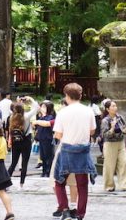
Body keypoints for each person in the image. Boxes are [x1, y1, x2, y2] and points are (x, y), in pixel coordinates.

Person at [52, 83, 97, 220]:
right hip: (83, 150)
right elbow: (92, 131)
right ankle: (80, 213)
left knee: (59, 182)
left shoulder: (63, 112)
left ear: (67, 96)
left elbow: (58, 134)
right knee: (82, 185)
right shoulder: (88, 111)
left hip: (67, 149)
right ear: (80, 95)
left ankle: (65, 208)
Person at [100, 100, 126, 192]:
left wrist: (125, 130)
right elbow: (104, 135)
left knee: (124, 163)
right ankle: (109, 185)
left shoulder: (120, 117)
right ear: (108, 109)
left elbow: (124, 129)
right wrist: (112, 128)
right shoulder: (105, 120)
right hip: (110, 144)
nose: (115, 108)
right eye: (113, 106)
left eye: (115, 106)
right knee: (109, 165)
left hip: (120, 142)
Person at [7, 96, 39, 188]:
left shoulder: (11, 117)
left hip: (16, 141)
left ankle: (6, 182)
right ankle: (21, 184)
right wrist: (31, 99)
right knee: (24, 163)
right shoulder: (26, 117)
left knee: (13, 163)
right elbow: (36, 108)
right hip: (26, 141)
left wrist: (18, 102)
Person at [32, 101, 55, 177]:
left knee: (48, 156)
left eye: (44, 107)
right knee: (43, 156)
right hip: (41, 139)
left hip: (47, 139)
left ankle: (48, 171)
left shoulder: (50, 117)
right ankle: (44, 171)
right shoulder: (41, 117)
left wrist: (37, 122)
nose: (42, 108)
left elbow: (46, 124)